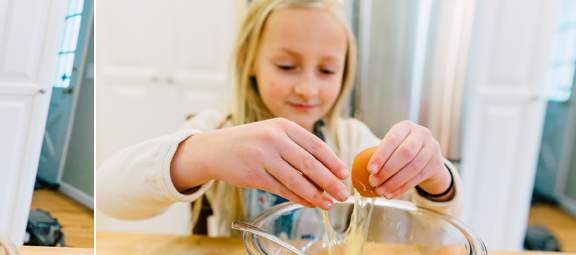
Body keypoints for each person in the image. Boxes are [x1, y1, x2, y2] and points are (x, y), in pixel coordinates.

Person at [96, 0, 461, 236]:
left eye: (327, 70)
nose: (307, 88)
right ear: (247, 59)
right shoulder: (221, 126)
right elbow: (108, 196)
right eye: (286, 65)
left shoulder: (350, 139)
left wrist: (433, 174)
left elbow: (434, 228)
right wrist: (202, 155)